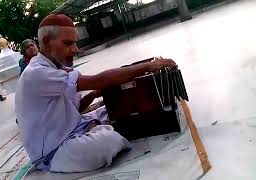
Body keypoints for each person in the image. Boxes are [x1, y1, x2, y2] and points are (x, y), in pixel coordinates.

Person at [15, 14, 177, 173]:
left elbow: (75, 110)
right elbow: (97, 80)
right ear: (47, 42)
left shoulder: (56, 67)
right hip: (54, 152)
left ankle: (97, 127)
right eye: (68, 43)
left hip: (76, 129)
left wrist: (93, 95)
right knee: (108, 142)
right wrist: (147, 67)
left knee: (115, 110)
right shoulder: (36, 73)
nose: (76, 49)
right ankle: (98, 128)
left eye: (75, 43)